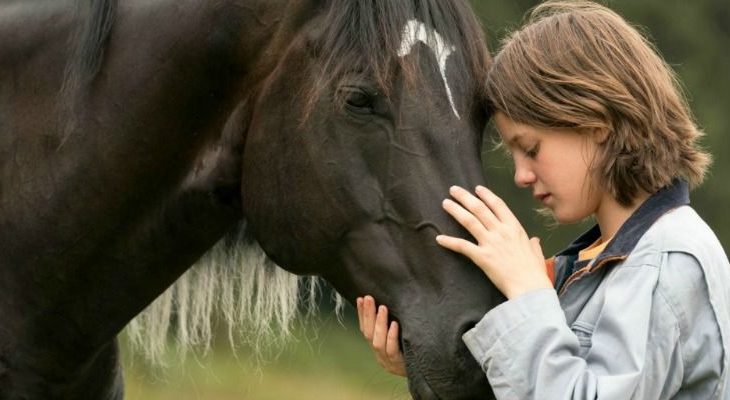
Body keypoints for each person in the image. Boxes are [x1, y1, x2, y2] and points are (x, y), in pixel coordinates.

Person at [356, 1, 730, 398]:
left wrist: (527, 294)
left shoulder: (665, 262)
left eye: (531, 149)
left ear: (595, 124)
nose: (521, 175)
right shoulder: (601, 263)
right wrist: (431, 369)